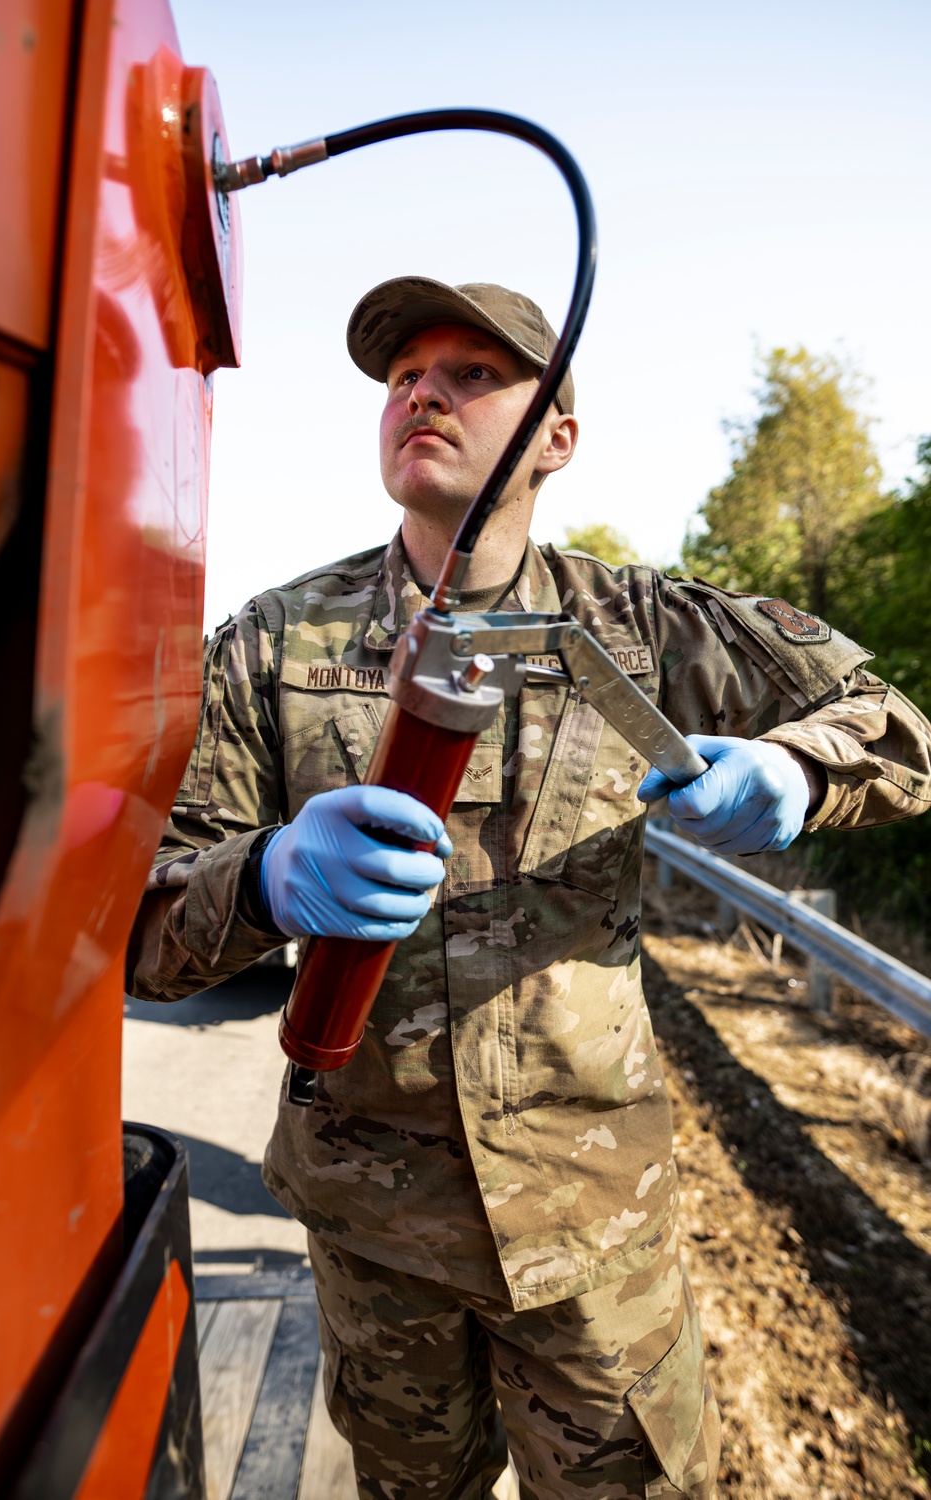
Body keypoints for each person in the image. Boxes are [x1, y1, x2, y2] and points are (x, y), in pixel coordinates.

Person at [127, 277, 931, 1500]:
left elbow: (901, 732)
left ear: (557, 434)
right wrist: (265, 878)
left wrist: (793, 768)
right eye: (402, 380)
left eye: (471, 376)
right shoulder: (273, 645)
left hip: (592, 1232)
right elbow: (140, 931)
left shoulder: (644, 628)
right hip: (375, 1239)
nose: (421, 397)